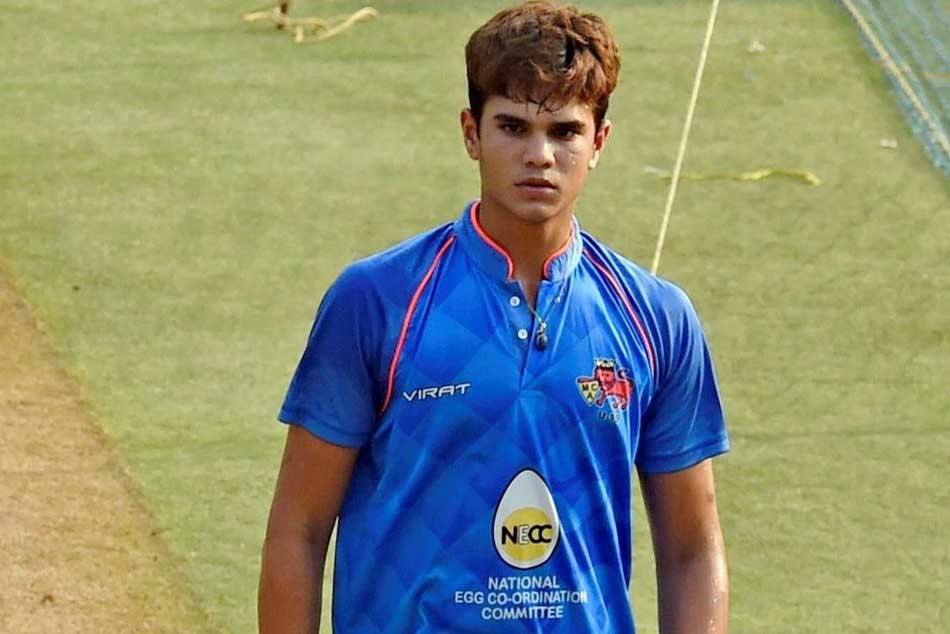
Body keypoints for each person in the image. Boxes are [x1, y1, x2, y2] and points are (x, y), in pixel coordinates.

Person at [258, 2, 730, 632]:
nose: (540, 155)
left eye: (564, 131)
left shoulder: (657, 317)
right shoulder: (375, 301)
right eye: (513, 127)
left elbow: (692, 548)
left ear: (599, 143)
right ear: (471, 134)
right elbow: (299, 528)